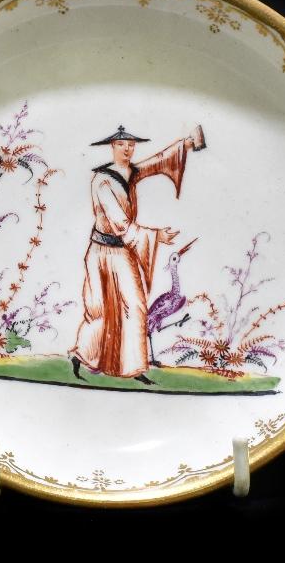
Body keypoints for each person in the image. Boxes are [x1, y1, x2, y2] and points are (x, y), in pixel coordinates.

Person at [68, 125, 205, 383]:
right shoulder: (102, 180)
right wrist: (156, 236)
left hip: (122, 251)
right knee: (99, 308)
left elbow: (159, 161)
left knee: (136, 306)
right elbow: (120, 224)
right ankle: (82, 356)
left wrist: (187, 143)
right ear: (112, 147)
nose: (127, 149)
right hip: (101, 252)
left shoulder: (132, 172)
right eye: (122, 144)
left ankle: (133, 367)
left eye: (131, 144)